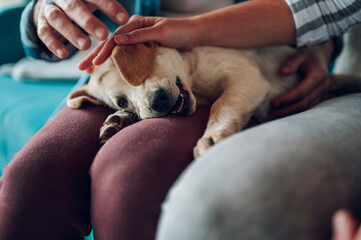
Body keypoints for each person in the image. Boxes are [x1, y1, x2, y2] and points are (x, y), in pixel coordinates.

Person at [0, 1, 360, 240]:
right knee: (27, 184)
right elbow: (43, 27)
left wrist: (317, 45)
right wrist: (41, 15)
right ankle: (126, 110)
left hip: (222, 48)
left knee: (128, 180)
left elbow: (330, 7)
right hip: (113, 72)